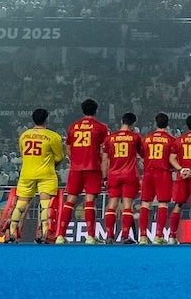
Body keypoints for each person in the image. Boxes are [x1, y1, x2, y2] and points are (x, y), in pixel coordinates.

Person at [6, 108, 65, 244]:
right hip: (46, 174)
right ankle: (45, 233)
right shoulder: (53, 136)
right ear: (47, 119)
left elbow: (23, 154)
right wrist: (49, 164)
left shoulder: (24, 135)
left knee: (20, 204)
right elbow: (59, 157)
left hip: (27, 173)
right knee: (45, 205)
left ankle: (12, 232)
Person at [61, 99, 109, 243]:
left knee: (70, 200)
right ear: (96, 110)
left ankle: (60, 236)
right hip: (92, 167)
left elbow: (68, 147)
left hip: (76, 168)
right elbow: (105, 150)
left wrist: (75, 158)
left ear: (82, 110)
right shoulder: (101, 127)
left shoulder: (73, 126)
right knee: (90, 201)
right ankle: (90, 236)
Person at [103, 113, 142, 243]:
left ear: (121, 121)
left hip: (113, 174)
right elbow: (142, 154)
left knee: (112, 204)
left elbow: (105, 159)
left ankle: (109, 235)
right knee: (127, 205)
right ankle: (125, 235)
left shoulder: (110, 138)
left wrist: (104, 177)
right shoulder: (135, 137)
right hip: (129, 174)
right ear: (133, 124)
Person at [139, 115, 175, 244]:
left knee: (145, 204)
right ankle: (158, 236)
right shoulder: (171, 140)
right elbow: (173, 159)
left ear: (156, 123)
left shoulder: (146, 138)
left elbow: (142, 156)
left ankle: (142, 236)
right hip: (163, 173)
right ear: (167, 124)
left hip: (148, 172)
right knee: (163, 204)